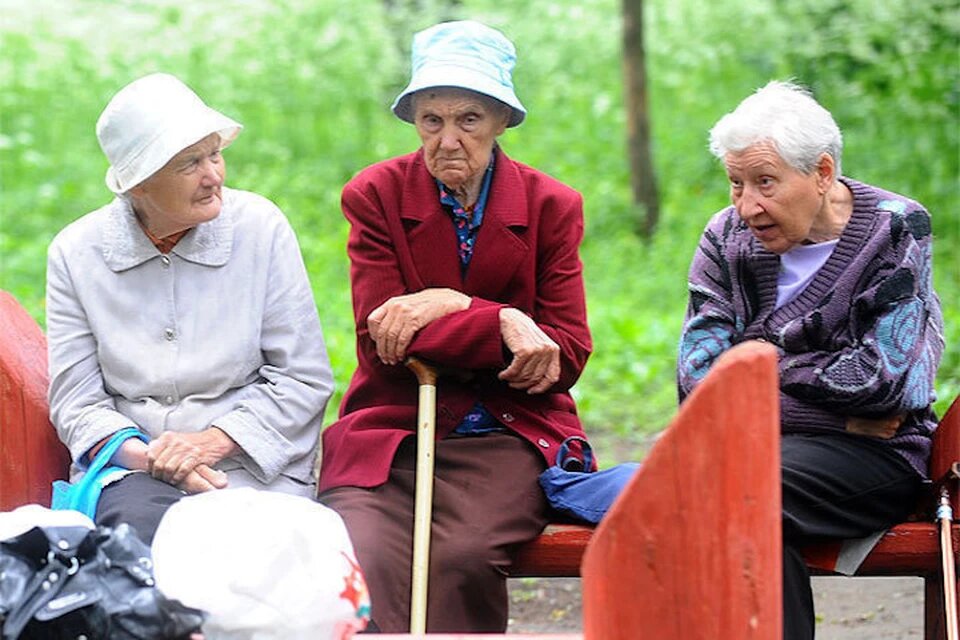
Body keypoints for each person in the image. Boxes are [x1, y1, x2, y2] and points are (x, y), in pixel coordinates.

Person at [318, 20, 592, 633]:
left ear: (500, 120)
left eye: (468, 119)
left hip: (503, 432)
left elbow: (566, 352)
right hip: (392, 435)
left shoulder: (552, 206)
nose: (447, 140)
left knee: (462, 559)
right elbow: (381, 337)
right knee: (361, 555)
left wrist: (448, 310)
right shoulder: (376, 195)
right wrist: (497, 319)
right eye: (430, 120)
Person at [677, 80, 944, 639]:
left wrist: (756, 361)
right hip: (784, 443)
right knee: (731, 499)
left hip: (878, 455)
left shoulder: (895, 229)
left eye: (765, 182)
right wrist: (832, 413)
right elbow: (698, 385)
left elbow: (884, 384)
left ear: (822, 174)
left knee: (735, 493)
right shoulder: (725, 238)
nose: (747, 205)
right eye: (736, 183)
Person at [46, 72, 334, 546]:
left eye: (215, 154)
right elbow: (77, 402)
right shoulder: (76, 253)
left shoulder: (261, 228)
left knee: (265, 562)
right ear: (137, 184)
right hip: (136, 472)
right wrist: (156, 459)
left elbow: (302, 377)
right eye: (189, 164)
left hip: (250, 465)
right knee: (139, 560)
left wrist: (207, 445)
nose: (214, 176)